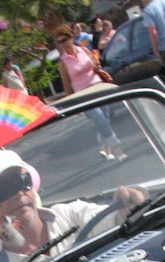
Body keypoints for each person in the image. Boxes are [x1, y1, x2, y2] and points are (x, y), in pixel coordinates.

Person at [0, 150, 147, 262]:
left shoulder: (70, 215)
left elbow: (120, 220)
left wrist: (133, 202)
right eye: (4, 189)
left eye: (23, 181)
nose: (18, 193)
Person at [55, 24, 129, 162]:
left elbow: (94, 66)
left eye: (64, 40)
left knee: (104, 119)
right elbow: (66, 84)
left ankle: (105, 148)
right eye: (59, 42)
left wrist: (96, 63)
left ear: (71, 38)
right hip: (83, 94)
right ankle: (117, 149)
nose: (62, 44)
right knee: (99, 118)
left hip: (97, 86)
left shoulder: (83, 50)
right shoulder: (63, 61)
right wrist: (71, 103)